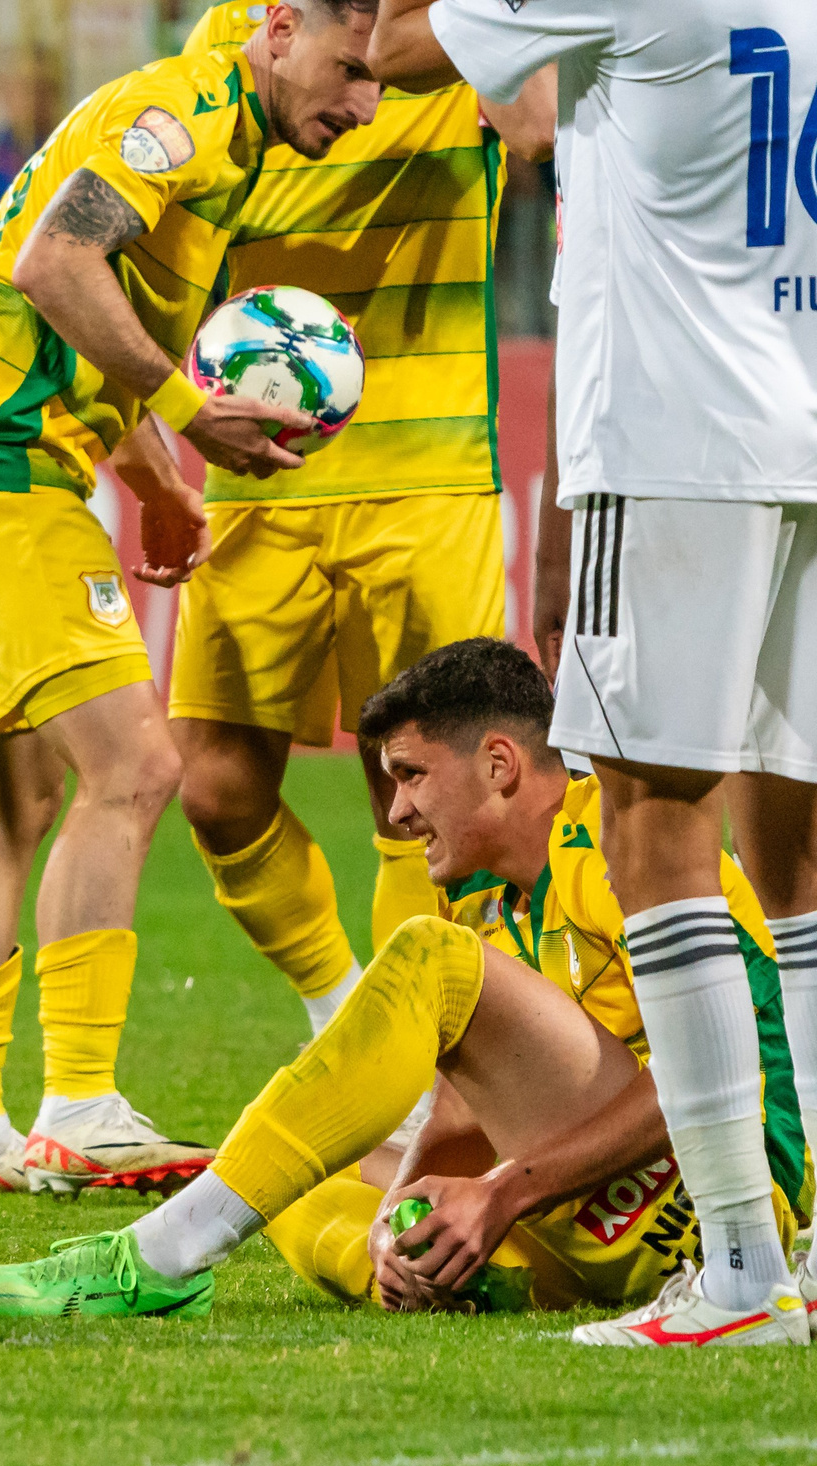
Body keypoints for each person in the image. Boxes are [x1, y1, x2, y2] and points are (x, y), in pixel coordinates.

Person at [0, 640, 810, 1345]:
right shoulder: (480, 894)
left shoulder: (616, 849)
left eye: (410, 775)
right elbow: (458, 1107)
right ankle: (456, 1281)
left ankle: (159, 1255)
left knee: (426, 962)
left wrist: (504, 1191)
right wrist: (399, 1212)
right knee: (295, 1191)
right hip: (590, 1214)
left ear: (501, 764)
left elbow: (713, 1074)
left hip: (723, 1203)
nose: (396, 812)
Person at [371, 0, 817, 1345]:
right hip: (802, 419)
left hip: (681, 436)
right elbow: (533, 114)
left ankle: (741, 1266)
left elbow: (395, 45)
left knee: (648, 826)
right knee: (797, 864)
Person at [0, 0, 377, 1199]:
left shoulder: (225, 133)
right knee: (136, 769)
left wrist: (153, 472)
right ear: (278, 28)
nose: (360, 107)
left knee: (9, 798)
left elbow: (89, 319)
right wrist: (192, 413)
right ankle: (81, 1104)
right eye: (349, 71)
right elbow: (55, 262)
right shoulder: (182, 116)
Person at [164, 2, 552, 1122]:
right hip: (260, 471)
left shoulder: (461, 19)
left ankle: (429, 1070)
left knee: (425, 796)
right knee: (218, 789)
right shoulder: (238, 27)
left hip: (426, 474)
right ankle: (343, 1007)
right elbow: (188, 211)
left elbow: (532, 130)